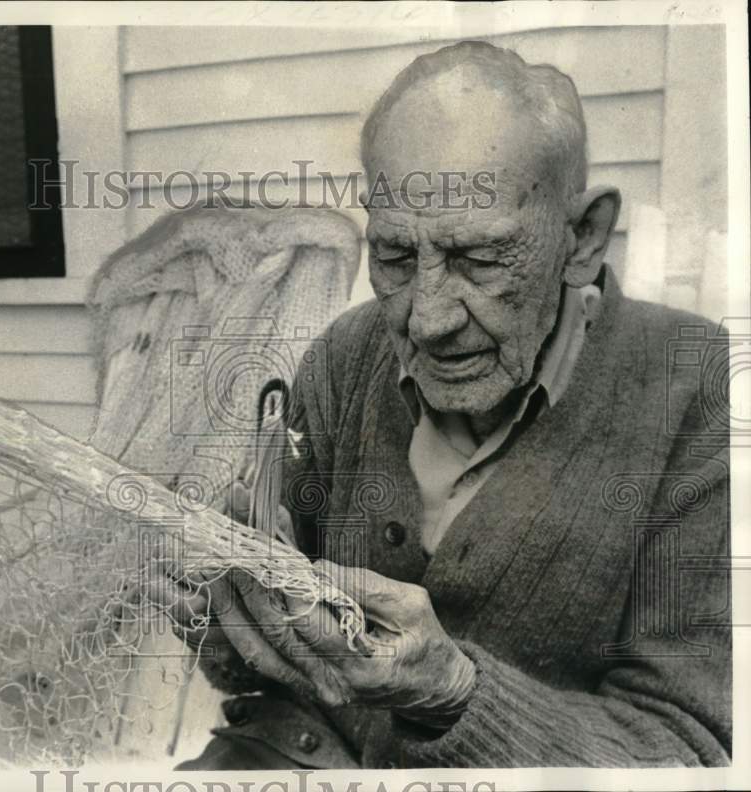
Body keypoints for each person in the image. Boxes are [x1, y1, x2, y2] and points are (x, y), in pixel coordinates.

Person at [157, 40, 732, 768]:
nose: (426, 319)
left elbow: (695, 753)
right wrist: (228, 631)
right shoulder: (343, 356)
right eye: (396, 258)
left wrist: (456, 692)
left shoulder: (699, 391)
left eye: (480, 260)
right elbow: (275, 662)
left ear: (582, 238)